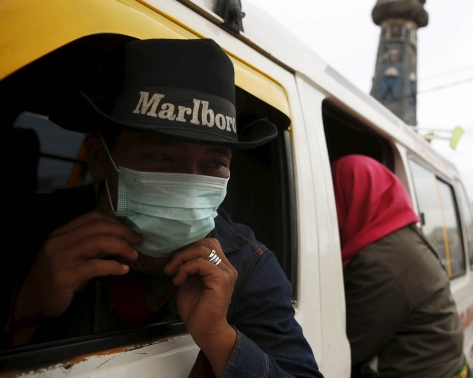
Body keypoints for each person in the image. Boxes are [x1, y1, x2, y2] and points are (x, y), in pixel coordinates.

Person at [4, 38, 322, 378]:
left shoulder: (246, 265)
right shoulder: (32, 230)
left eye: (214, 164)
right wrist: (25, 315)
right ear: (99, 157)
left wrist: (220, 337)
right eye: (160, 157)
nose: (187, 185)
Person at [331, 155, 473, 378]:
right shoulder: (400, 238)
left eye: (334, 198)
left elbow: (342, 349)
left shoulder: (381, 263)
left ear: (354, 196)